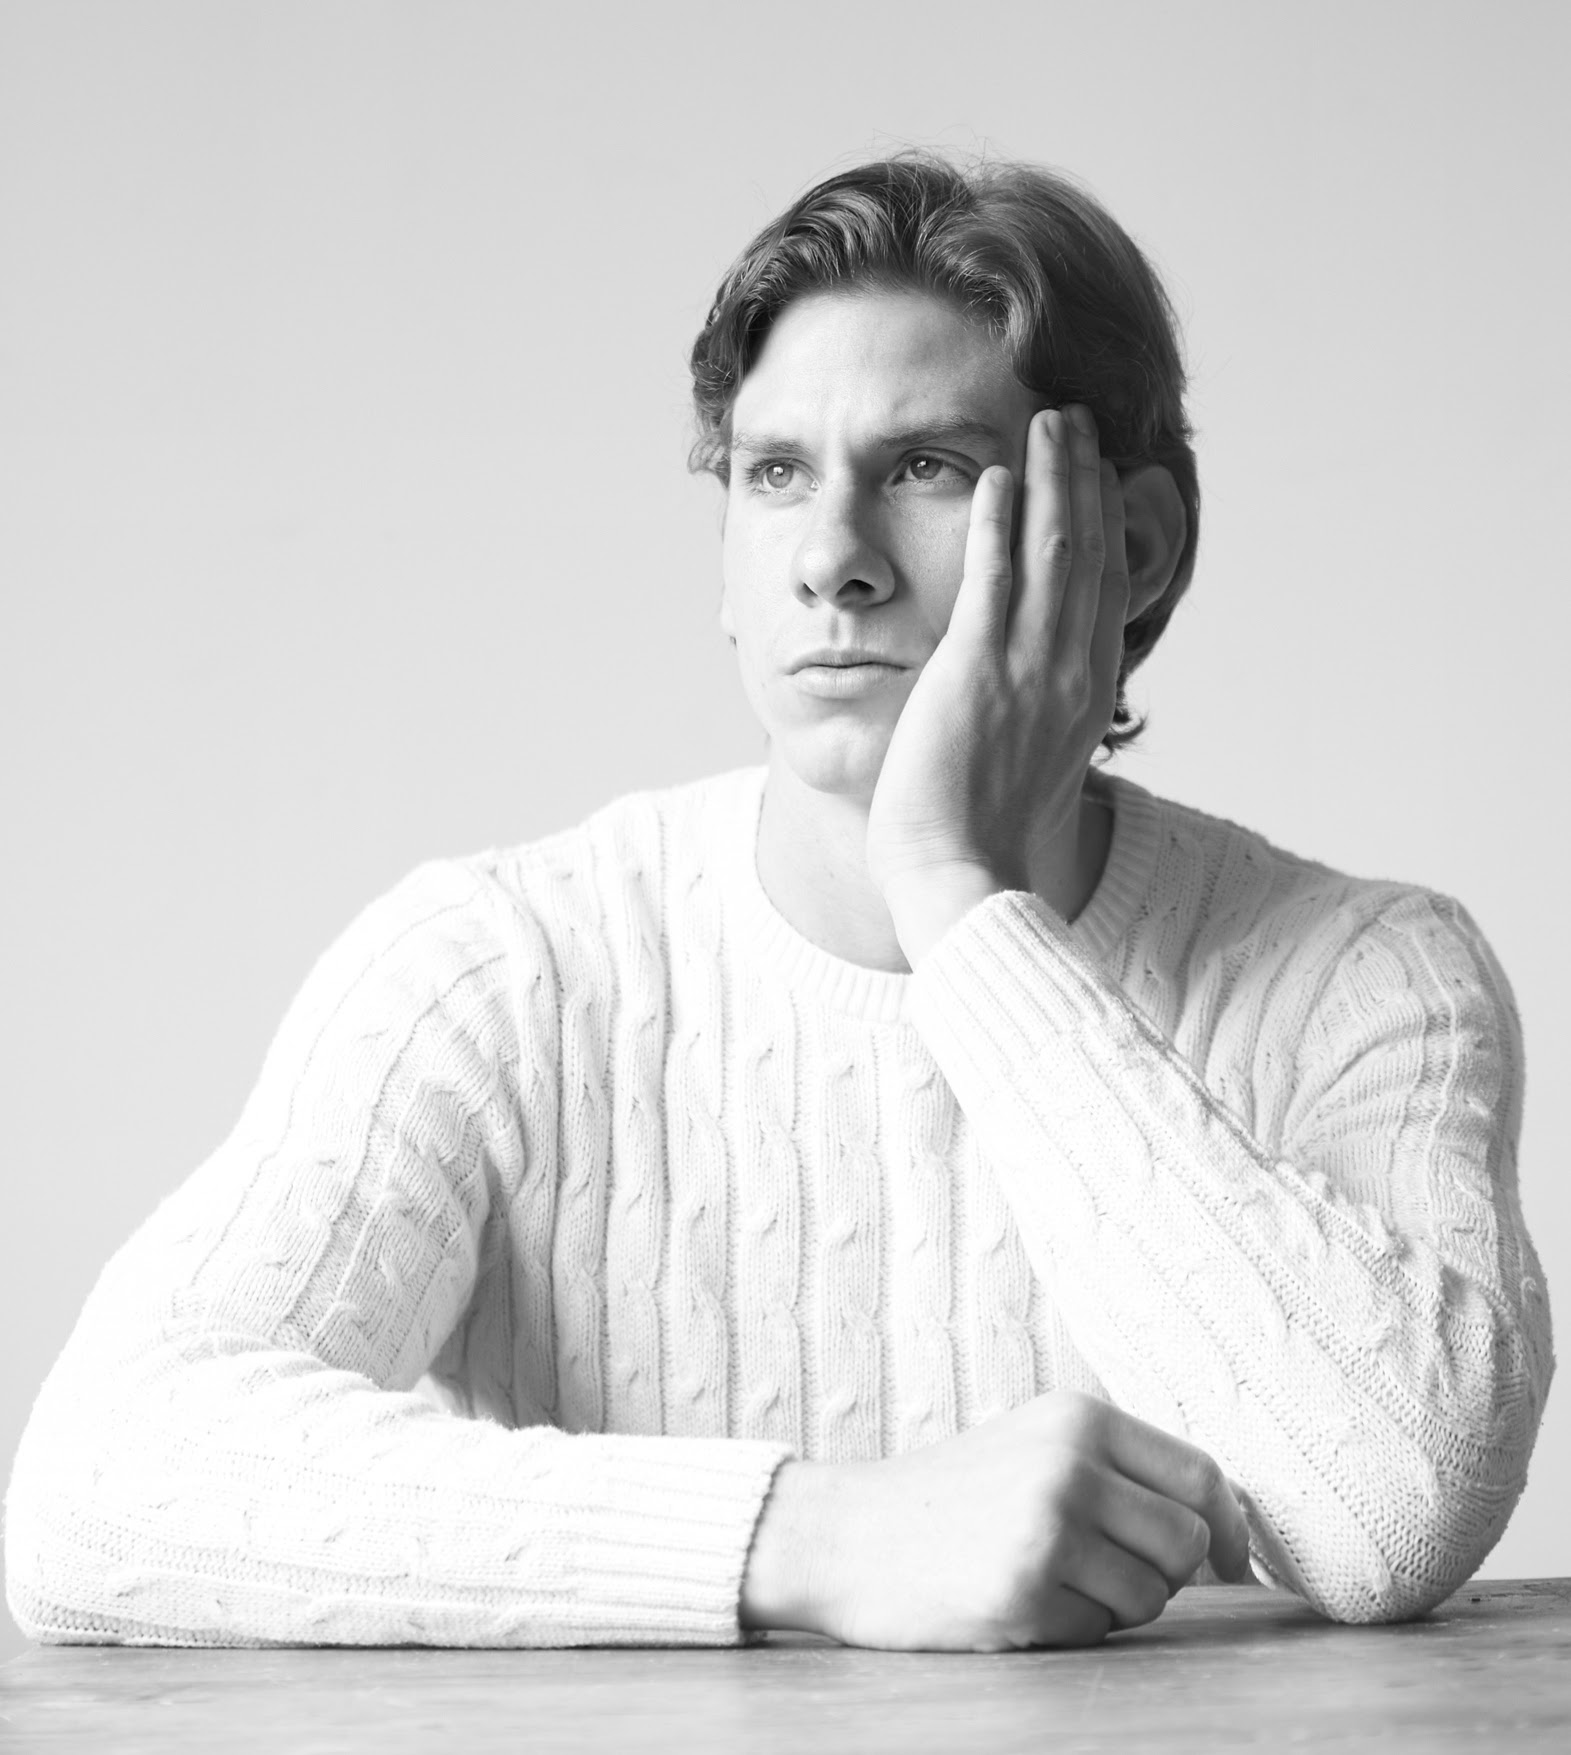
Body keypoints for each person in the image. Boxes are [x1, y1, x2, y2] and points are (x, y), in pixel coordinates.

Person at [4, 153, 1553, 1654]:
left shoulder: (1364, 972)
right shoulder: (500, 969)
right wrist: (816, 1539)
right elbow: (99, 1488)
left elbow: (1395, 1511)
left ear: (1129, 548)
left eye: (928, 469)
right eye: (776, 475)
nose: (833, 561)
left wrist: (956, 895)